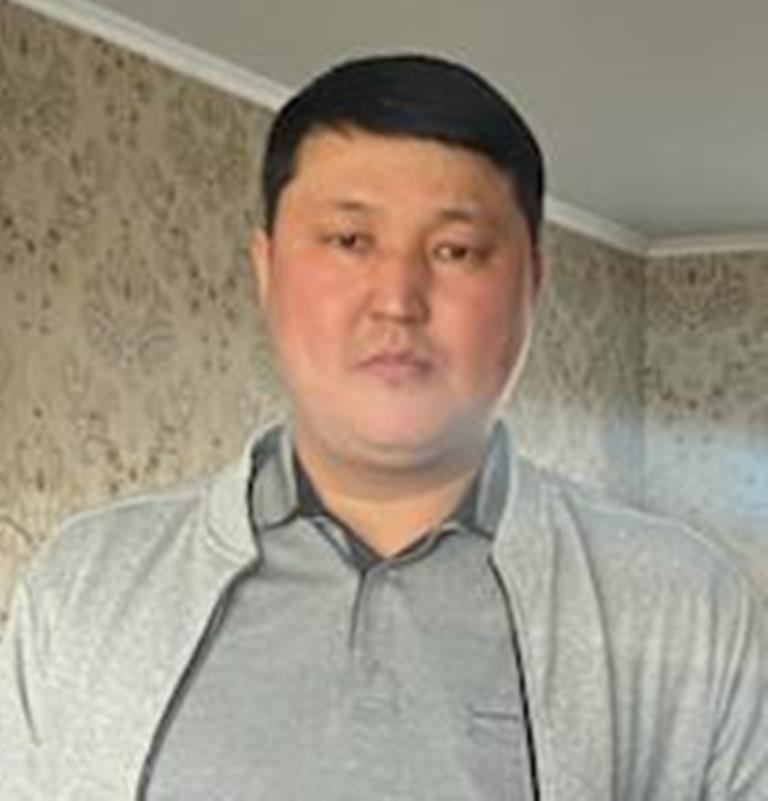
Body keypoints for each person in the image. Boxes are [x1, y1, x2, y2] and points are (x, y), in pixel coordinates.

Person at [1, 54, 766, 801]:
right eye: (349, 240)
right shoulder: (86, 581)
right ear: (267, 267)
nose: (398, 299)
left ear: (532, 282)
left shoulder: (685, 607)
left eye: (455, 250)